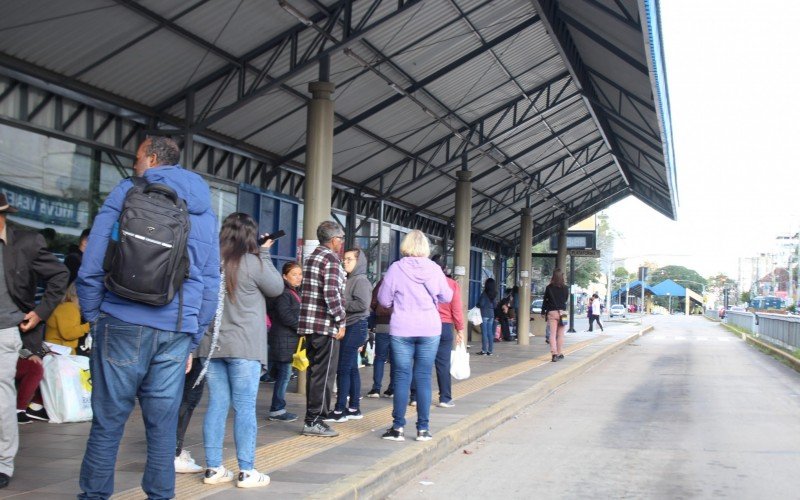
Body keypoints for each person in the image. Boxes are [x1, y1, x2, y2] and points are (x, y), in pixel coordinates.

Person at [76, 136, 220, 500]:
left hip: (121, 319)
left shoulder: (126, 191)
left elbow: (93, 261)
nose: (135, 163)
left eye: (138, 157)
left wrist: (95, 314)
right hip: (175, 329)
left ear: (152, 159)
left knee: (108, 424)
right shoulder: (202, 206)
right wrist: (193, 332)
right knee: (162, 426)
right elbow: (210, 279)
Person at [197, 212, 283, 488]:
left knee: (217, 405)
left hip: (211, 345)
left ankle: (213, 469)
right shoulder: (252, 262)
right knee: (245, 408)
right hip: (244, 345)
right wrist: (265, 254)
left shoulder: (212, 262)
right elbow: (277, 288)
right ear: (251, 236)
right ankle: (246, 471)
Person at [0, 193, 68, 488]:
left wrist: (39, 313)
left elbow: (59, 275)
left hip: (5, 330)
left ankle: (3, 462)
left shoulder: (26, 242)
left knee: (2, 399)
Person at [377, 230, 452, 442]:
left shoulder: (396, 268)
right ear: (426, 248)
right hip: (429, 329)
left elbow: (383, 300)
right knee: (423, 377)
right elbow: (447, 296)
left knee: (401, 376)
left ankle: (398, 428)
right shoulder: (435, 269)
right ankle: (423, 430)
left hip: (402, 329)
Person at [299, 221, 347, 438]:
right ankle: (314, 419)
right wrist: (341, 321)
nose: (342, 243)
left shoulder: (311, 258)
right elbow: (331, 295)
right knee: (324, 374)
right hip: (325, 326)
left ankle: (314, 417)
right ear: (334, 239)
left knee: (315, 373)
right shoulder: (331, 260)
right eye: (341, 239)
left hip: (310, 325)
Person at [330, 248, 371, 421]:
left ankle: (340, 410)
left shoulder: (360, 280)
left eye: (349, 259)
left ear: (359, 261)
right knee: (352, 368)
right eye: (344, 259)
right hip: (354, 326)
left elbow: (362, 304)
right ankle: (354, 408)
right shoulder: (351, 279)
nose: (345, 262)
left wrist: (340, 303)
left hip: (355, 326)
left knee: (343, 369)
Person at [266, 261, 303, 423]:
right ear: (284, 276)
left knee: (282, 374)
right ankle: (277, 409)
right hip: (283, 339)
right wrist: (301, 327)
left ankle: (277, 406)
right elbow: (285, 315)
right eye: (294, 274)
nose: (298, 277)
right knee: (284, 375)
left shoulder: (292, 292)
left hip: (286, 339)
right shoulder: (284, 292)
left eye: (300, 274)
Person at [433, 259, 463, 408]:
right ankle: (445, 398)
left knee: (420, 362)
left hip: (426, 325)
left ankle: (415, 396)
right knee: (443, 363)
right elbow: (457, 309)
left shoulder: (424, 282)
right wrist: (460, 329)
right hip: (445, 326)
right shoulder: (451, 284)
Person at [366, 278, 394, 398]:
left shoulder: (384, 281)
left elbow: (373, 302)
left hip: (382, 323)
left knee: (380, 358)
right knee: (395, 359)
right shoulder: (406, 280)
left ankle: (376, 389)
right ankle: (392, 389)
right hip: (399, 325)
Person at [44, 283, 89, 354]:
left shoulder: (62, 306)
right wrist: (89, 326)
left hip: (54, 352)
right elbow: (68, 333)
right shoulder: (70, 307)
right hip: (61, 354)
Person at [541, 269, 569, 362]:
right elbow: (565, 299)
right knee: (561, 335)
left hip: (552, 312)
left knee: (552, 334)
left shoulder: (549, 287)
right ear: (562, 277)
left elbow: (545, 300)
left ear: (553, 276)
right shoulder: (565, 288)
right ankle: (560, 353)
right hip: (563, 313)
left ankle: (554, 354)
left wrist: (542, 311)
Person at [477, 278, 498, 355]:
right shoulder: (494, 294)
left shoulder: (484, 294)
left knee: (484, 333)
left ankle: (484, 350)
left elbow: (481, 304)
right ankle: (490, 351)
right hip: (491, 315)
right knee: (490, 333)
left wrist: (477, 304)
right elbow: (495, 305)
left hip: (484, 314)